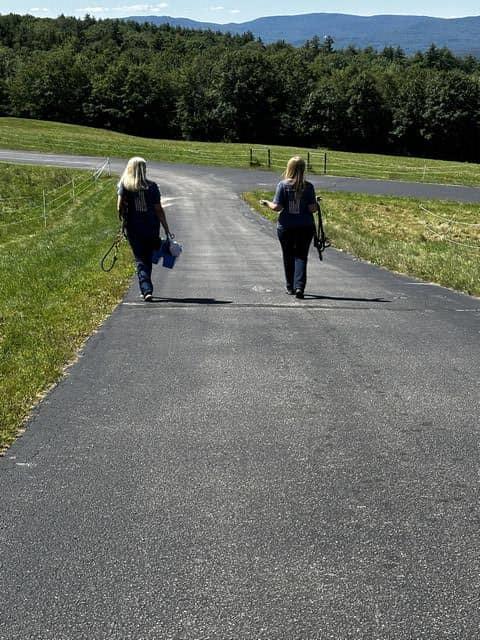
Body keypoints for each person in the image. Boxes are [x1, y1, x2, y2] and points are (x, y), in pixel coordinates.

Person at [260, 156, 317, 299]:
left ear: (289, 168)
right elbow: (312, 209)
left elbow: (277, 207)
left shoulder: (283, 185)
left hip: (286, 226)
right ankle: (299, 287)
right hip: (305, 226)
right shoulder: (308, 187)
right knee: (301, 256)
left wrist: (266, 203)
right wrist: (316, 203)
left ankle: (290, 286)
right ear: (303, 169)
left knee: (288, 255)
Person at [117, 157, 171, 301]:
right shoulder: (152, 187)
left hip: (134, 228)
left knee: (141, 258)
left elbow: (120, 206)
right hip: (151, 227)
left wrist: (122, 221)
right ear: (143, 169)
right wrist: (166, 228)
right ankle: (147, 288)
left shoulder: (125, 186)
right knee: (147, 257)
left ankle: (146, 288)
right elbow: (159, 210)